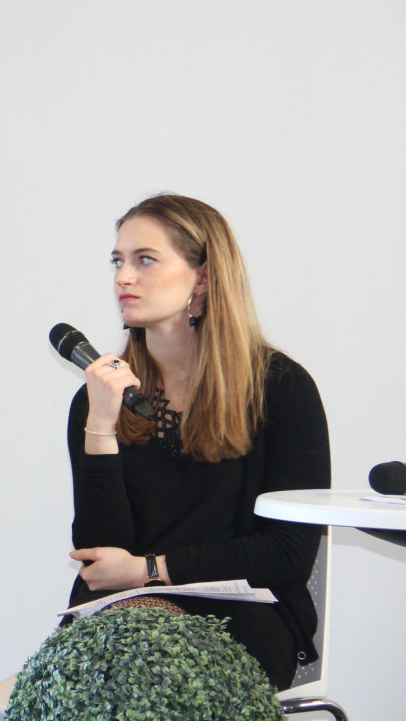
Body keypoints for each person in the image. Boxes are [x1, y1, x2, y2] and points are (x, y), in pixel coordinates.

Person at [66, 193, 330, 690]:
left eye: (145, 259)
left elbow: (288, 553)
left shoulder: (280, 388)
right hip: (120, 619)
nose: (123, 277)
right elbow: (100, 561)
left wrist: (148, 569)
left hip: (243, 615)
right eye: (118, 261)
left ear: (204, 278)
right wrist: (100, 426)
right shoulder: (99, 399)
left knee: (150, 679)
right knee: (96, 675)